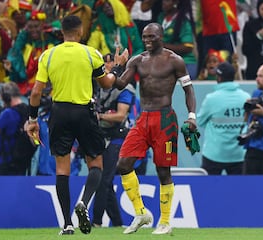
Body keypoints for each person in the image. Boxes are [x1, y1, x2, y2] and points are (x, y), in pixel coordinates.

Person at [26, 15, 129, 235]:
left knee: (62, 168)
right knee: (96, 164)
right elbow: (107, 82)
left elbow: (36, 92)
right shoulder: (91, 53)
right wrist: (118, 67)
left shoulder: (49, 55)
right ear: (80, 32)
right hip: (84, 112)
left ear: (62, 32)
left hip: (59, 113)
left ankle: (66, 224)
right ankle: (83, 202)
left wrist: (32, 120)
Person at [114, 22, 197, 235]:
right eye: (144, 37)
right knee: (123, 164)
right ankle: (141, 213)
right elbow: (120, 84)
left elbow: (189, 91)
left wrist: (191, 116)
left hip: (165, 120)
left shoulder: (175, 61)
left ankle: (166, 221)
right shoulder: (137, 60)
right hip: (143, 119)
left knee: (163, 171)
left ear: (161, 37)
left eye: (152, 36)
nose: (147, 40)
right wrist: (117, 67)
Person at [92, 53, 135, 228]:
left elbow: (120, 115)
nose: (107, 64)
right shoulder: (97, 85)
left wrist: (99, 116)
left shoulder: (125, 88)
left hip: (116, 137)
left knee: (104, 180)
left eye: (110, 61)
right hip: (99, 135)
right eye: (104, 62)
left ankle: (96, 222)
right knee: (106, 183)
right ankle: (117, 223)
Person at [197, 62, 250, 175]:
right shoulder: (246, 97)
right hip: (239, 154)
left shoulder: (211, 99)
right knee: (240, 191)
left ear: (218, 77)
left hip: (214, 154)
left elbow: (200, 121)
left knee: (207, 190)